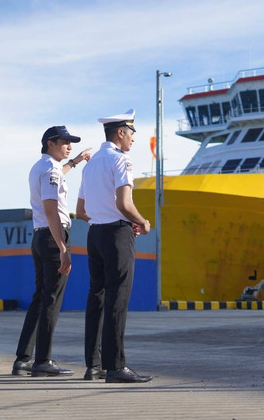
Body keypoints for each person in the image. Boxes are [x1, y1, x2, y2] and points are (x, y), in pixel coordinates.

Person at [76, 109, 152, 383]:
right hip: (117, 236)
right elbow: (124, 203)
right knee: (117, 299)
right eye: (131, 133)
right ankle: (116, 366)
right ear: (120, 132)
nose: (133, 139)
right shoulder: (121, 160)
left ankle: (94, 365)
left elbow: (80, 210)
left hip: (94, 234)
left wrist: (104, 216)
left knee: (96, 297)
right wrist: (142, 222)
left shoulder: (92, 163)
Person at [11, 125, 91, 377]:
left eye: (72, 143)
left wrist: (75, 162)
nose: (70, 146)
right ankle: (43, 361)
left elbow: (59, 175)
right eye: (65, 142)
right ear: (50, 143)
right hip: (52, 236)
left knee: (40, 297)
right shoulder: (50, 170)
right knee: (51, 299)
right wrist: (63, 247)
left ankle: (24, 358)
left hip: (40, 236)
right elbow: (50, 208)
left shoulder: (42, 167)